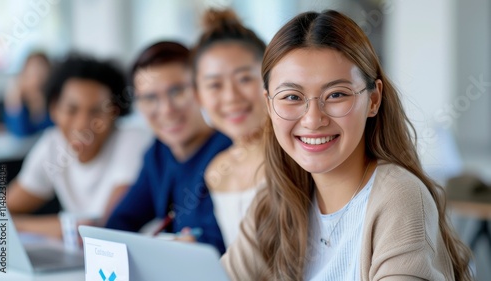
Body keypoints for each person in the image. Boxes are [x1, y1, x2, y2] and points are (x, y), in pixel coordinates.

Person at [221, 10, 472, 280]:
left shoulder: (399, 196)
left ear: (373, 100)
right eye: (292, 96)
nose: (313, 119)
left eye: (336, 94)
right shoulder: (273, 202)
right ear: (269, 105)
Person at [105, 41, 232, 254]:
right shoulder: (158, 153)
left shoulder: (229, 152)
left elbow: (219, 248)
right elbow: (120, 222)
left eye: (177, 91)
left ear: (201, 90)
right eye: (149, 98)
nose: (166, 110)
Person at [6, 55, 150, 239]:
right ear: (54, 110)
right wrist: (62, 227)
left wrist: (20, 225)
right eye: (71, 110)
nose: (82, 124)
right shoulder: (52, 145)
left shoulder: (132, 141)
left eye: (96, 111)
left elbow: (105, 229)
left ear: (115, 112)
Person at [193, 9, 267, 247]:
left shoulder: (299, 157)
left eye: (245, 79)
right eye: (214, 85)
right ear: (199, 96)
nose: (231, 97)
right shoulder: (216, 171)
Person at [4, 52, 54, 136]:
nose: (37, 73)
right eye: (33, 69)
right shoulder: (17, 98)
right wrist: (15, 99)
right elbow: (19, 132)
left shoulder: (53, 98)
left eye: (41, 67)